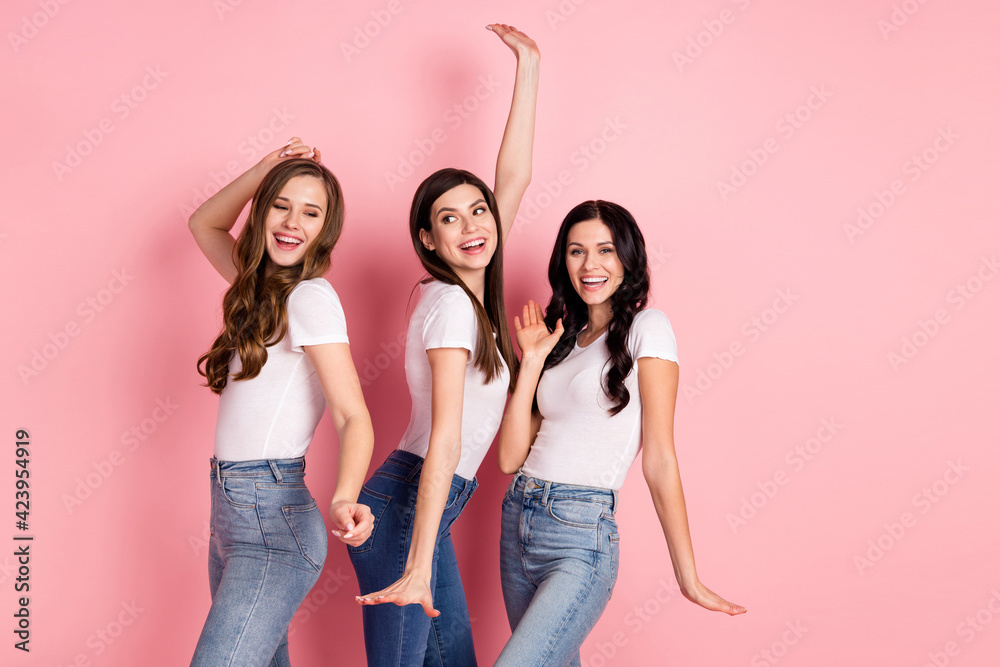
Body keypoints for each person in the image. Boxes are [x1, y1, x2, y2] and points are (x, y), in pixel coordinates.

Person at [348, 23, 540, 667]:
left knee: (453, 657)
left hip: (423, 502)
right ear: (429, 240)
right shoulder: (453, 307)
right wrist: (420, 560)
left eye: (477, 211)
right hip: (411, 499)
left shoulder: (470, 294)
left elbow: (512, 177)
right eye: (449, 219)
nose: (472, 225)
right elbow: (448, 440)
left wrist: (530, 67)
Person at [495, 200, 746, 666]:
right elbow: (509, 459)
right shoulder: (562, 341)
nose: (590, 264)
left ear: (627, 258)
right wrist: (531, 360)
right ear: (562, 261)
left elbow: (660, 458)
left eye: (605, 250)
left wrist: (686, 574)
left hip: (581, 532)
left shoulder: (649, 329)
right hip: (518, 518)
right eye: (576, 251)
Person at [188, 139, 375, 667]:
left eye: (311, 213)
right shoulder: (258, 287)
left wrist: (343, 497)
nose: (292, 222)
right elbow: (204, 224)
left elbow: (353, 415)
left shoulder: (309, 298)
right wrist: (263, 170)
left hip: (272, 523)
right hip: (229, 516)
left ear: (325, 230)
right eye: (280, 204)